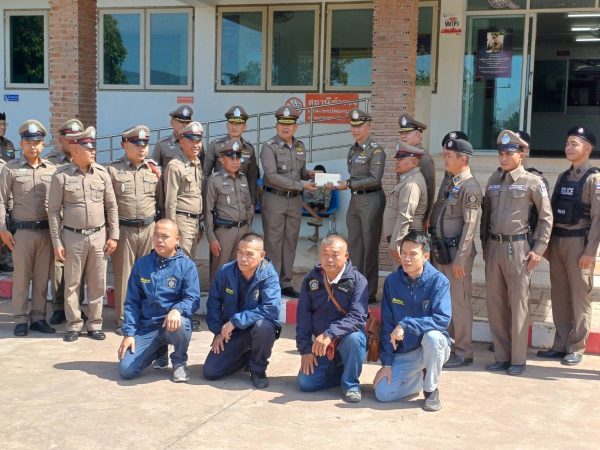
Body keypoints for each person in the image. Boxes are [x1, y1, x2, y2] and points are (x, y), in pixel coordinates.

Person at [480, 130, 553, 375]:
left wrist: (538, 249)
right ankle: (501, 356)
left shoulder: (533, 181)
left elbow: (546, 218)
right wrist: (485, 246)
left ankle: (518, 360)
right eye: (501, 153)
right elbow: (486, 216)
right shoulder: (493, 179)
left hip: (519, 248)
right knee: (495, 304)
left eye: (508, 154)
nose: (503, 158)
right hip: (494, 247)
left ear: (521, 154)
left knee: (519, 305)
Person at [48, 126, 120, 342]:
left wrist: (114, 235)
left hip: (98, 236)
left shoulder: (102, 174)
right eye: (89, 149)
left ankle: (95, 324)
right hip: (73, 237)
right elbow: (53, 211)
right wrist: (57, 241)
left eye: (93, 148)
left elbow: (111, 206)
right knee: (72, 284)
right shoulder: (61, 176)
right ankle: (74, 324)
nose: (93, 152)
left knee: (97, 283)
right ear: (76, 150)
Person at [538, 127, 600, 366]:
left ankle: (576, 347)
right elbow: (552, 213)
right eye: (567, 143)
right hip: (559, 243)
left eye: (574, 143)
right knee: (559, 295)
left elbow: (597, 219)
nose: (568, 147)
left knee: (579, 296)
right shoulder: (563, 177)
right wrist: (546, 244)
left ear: (588, 148)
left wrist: (590, 252)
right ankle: (560, 344)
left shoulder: (594, 179)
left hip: (579, 244)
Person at [374, 231, 451, 412]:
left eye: (413, 254)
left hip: (430, 349)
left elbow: (442, 319)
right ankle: (417, 379)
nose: (407, 258)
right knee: (382, 394)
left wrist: (406, 325)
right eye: (403, 253)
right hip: (406, 351)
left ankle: (431, 390)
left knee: (433, 338)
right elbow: (387, 323)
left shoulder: (439, 282)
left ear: (425, 257)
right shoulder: (392, 282)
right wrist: (387, 364)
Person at [118, 219, 200, 382]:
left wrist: (177, 309)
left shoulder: (187, 266)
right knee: (126, 370)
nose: (159, 240)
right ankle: (158, 351)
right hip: (147, 327)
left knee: (182, 324)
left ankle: (179, 361)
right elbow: (132, 302)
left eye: (165, 236)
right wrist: (129, 334)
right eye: (156, 236)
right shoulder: (142, 265)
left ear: (177, 240)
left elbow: (193, 298)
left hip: (171, 325)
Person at [296, 235, 368, 403]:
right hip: (322, 346)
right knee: (305, 383)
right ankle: (340, 372)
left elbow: (357, 318)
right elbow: (303, 316)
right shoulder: (312, 279)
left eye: (335, 254)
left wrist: (330, 333)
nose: (329, 259)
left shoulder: (358, 281)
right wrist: (305, 350)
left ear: (346, 256)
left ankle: (351, 384)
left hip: (345, 341)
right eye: (325, 254)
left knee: (356, 339)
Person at [203, 233, 281, 389]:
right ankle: (246, 357)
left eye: (249, 254)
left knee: (263, 326)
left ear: (261, 255)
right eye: (240, 252)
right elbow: (213, 302)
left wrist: (235, 321)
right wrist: (218, 331)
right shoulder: (226, 271)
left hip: (256, 329)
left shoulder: (269, 275)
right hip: (233, 331)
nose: (243, 258)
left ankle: (258, 370)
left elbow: (271, 308)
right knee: (211, 371)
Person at [0, 120, 56, 336]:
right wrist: (3, 229)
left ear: (43, 144)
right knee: (22, 278)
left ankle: (38, 318)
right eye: (28, 142)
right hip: (21, 232)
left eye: (37, 142)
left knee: (42, 278)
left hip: (45, 231)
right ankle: (21, 319)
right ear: (21, 144)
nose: (33, 146)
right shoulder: (10, 169)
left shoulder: (51, 170)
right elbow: (1, 200)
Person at [430, 138, 481, 369]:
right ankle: (450, 345)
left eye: (449, 156)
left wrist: (461, 257)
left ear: (463, 159)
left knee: (459, 303)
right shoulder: (452, 182)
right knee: (445, 301)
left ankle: (464, 351)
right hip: (443, 251)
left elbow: (470, 225)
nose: (445, 159)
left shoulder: (470, 187)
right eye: (445, 154)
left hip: (457, 254)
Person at [107, 125, 162, 336]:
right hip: (124, 230)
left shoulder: (154, 170)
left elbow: (160, 201)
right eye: (136, 143)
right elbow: (108, 205)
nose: (142, 148)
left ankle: (145, 317)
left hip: (148, 229)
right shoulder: (113, 170)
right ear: (124, 145)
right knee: (125, 277)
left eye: (145, 144)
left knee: (148, 275)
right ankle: (124, 320)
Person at [260, 105, 315, 298]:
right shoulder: (269, 147)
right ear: (276, 125)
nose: (285, 127)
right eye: (282, 124)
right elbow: (272, 176)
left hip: (294, 201)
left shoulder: (300, 146)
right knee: (273, 242)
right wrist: (301, 185)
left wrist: (310, 174)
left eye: (289, 124)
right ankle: (271, 282)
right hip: (275, 198)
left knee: (290, 241)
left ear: (295, 127)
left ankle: (286, 282)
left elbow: (300, 173)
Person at [335, 109, 385, 304]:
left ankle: (369, 290)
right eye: (353, 126)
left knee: (369, 246)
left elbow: (374, 179)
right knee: (355, 245)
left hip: (371, 199)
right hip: (355, 200)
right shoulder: (353, 150)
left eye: (360, 126)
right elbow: (354, 176)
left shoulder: (376, 150)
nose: (355, 130)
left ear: (369, 126)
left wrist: (348, 184)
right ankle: (355, 284)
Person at [47, 118, 87, 325]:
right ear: (61, 138)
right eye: (70, 137)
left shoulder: (87, 161)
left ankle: (76, 306)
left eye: (78, 137)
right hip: (58, 221)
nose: (73, 141)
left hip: (78, 224)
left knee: (79, 267)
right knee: (58, 267)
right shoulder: (50, 162)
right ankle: (58, 307)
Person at [205, 139, 254, 282]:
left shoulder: (243, 179)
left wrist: (248, 228)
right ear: (221, 159)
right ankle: (216, 296)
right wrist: (212, 238)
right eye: (231, 158)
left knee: (240, 269)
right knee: (220, 270)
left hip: (243, 230)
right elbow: (208, 210)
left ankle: (236, 296)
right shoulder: (214, 180)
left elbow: (248, 206)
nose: (235, 161)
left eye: (238, 157)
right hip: (224, 232)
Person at [382, 142, 427, 268]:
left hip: (406, 241)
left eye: (402, 159)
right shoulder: (406, 180)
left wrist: (396, 244)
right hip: (404, 240)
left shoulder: (411, 184)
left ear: (414, 162)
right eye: (397, 158)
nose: (397, 162)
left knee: (405, 275)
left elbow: (405, 216)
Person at [203, 105, 260, 206]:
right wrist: (206, 203)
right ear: (227, 125)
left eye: (238, 124)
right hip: (220, 200)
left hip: (242, 202)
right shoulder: (215, 145)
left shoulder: (249, 149)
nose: (234, 127)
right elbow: (205, 175)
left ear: (245, 127)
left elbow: (252, 178)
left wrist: (252, 204)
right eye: (232, 123)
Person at [164, 121, 204, 259]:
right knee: (181, 260)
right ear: (181, 141)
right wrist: (172, 230)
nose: (196, 145)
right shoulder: (175, 166)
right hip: (182, 221)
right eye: (191, 141)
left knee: (189, 262)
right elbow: (170, 202)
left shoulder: (197, 163)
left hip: (195, 221)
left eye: (198, 141)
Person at [398, 114, 436, 225]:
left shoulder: (423, 158)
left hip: (416, 215)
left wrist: (426, 218)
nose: (403, 136)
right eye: (402, 133)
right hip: (404, 211)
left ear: (418, 135)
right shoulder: (405, 155)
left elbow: (429, 190)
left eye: (407, 133)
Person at [0, 112, 15, 273]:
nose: (2, 127)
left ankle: (3, 259)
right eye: (0, 125)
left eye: (4, 124)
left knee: (5, 222)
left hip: (7, 189)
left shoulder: (9, 144)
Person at [302, 164, 331, 243]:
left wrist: (326, 207)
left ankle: (316, 234)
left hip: (320, 203)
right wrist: (309, 194)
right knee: (303, 204)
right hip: (312, 202)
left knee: (315, 209)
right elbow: (308, 193)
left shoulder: (326, 183)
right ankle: (318, 218)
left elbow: (328, 196)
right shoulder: (312, 182)